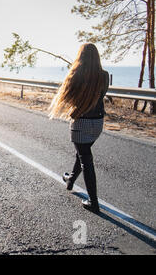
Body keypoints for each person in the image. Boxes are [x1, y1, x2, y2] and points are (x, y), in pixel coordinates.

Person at [49, 43, 109, 214]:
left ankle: (94, 202)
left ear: (80, 57)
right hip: (98, 123)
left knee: (85, 158)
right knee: (82, 152)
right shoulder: (104, 76)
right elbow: (101, 95)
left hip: (81, 123)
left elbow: (69, 99)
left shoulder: (76, 75)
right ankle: (70, 180)